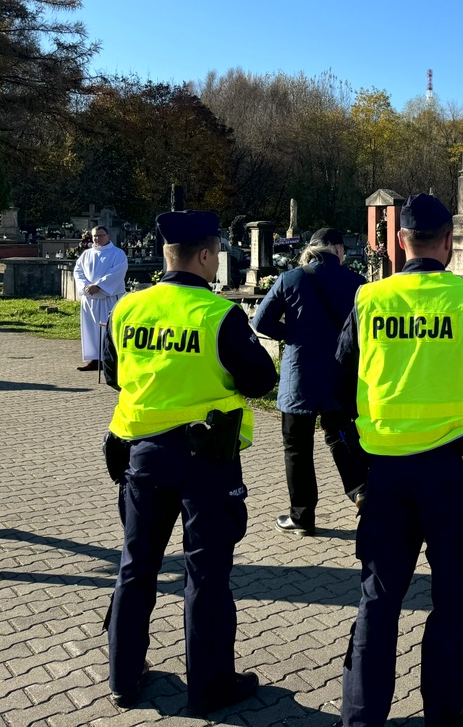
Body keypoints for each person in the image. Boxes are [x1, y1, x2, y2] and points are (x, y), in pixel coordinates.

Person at [336, 194, 463, 727]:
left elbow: (337, 388)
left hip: (384, 473)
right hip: (453, 473)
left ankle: (360, 716)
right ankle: (444, 708)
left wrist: (355, 464)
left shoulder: (368, 300)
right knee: (455, 595)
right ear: (448, 243)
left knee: (378, 598)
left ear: (400, 243)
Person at [101, 211, 277, 715]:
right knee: (206, 575)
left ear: (163, 254)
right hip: (206, 462)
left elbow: (114, 376)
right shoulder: (217, 314)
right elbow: (261, 379)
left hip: (142, 457)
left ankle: (123, 678)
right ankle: (210, 687)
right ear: (205, 256)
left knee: (136, 568)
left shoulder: (129, 308)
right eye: (217, 253)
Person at [252, 227, 368, 536]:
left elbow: (260, 321)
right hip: (340, 376)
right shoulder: (358, 284)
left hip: (300, 376)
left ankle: (302, 516)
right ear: (337, 249)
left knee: (297, 448)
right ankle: (362, 493)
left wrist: (291, 335)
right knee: (342, 438)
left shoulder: (291, 278)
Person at [74, 225, 129, 371]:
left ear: (108, 236)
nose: (97, 239)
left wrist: (99, 286)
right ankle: (95, 359)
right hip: (90, 298)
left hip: (109, 297)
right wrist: (86, 286)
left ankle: (111, 359)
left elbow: (117, 272)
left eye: (100, 235)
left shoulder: (118, 254)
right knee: (91, 329)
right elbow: (78, 271)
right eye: (94, 236)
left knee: (108, 329)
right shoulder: (86, 254)